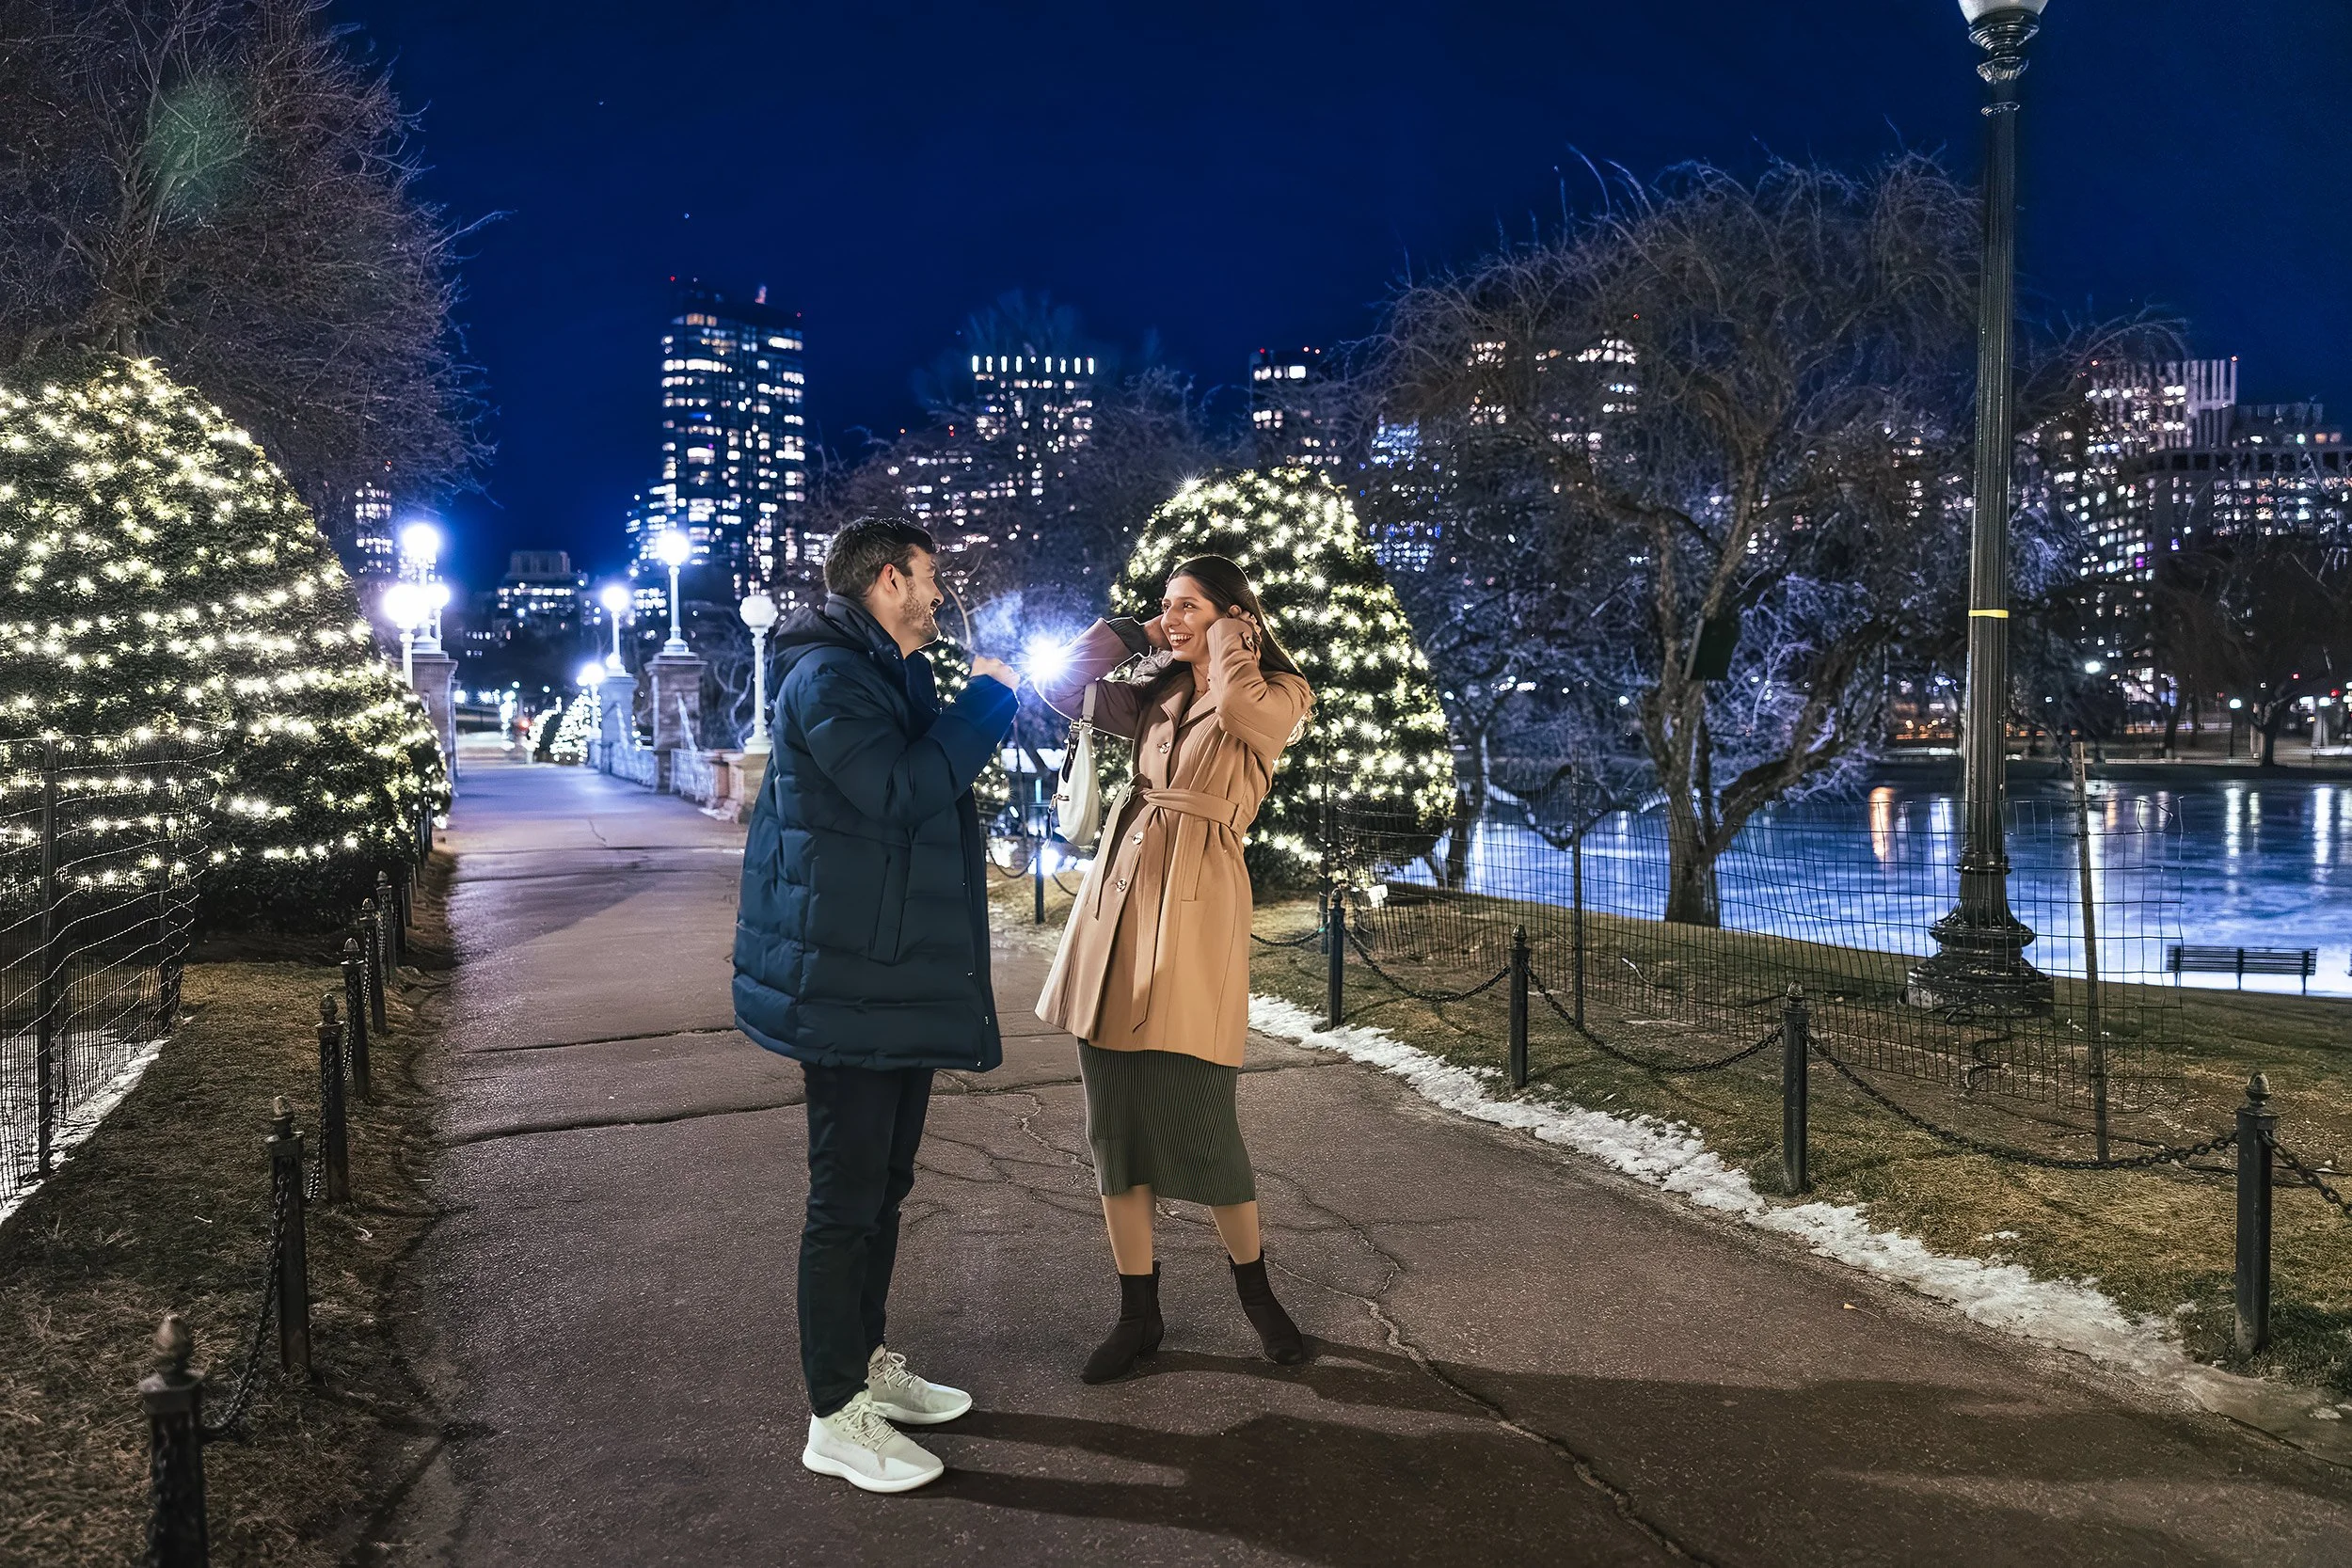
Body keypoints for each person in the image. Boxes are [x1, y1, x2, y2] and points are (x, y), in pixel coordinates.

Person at [733, 516, 1021, 1494]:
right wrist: (989, 701)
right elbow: (899, 789)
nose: (940, 595)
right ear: (889, 579)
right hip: (847, 976)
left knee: (884, 1185)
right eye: (931, 578)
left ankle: (865, 1363)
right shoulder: (827, 679)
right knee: (844, 1198)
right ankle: (831, 1411)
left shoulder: (889, 672)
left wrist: (969, 702)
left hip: (886, 970)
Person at [1033, 554, 1316, 1383]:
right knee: (1113, 1122)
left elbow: (1244, 712)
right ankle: (1137, 1311)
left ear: (1237, 616)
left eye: (1191, 604)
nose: (1177, 617)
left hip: (1194, 912)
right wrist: (1142, 632)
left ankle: (1258, 1296)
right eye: (1169, 605)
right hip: (1117, 905)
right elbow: (1061, 690)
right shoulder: (1156, 688)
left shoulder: (1275, 691)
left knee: (1203, 1119)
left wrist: (1229, 637)